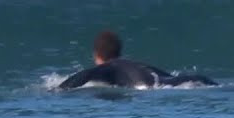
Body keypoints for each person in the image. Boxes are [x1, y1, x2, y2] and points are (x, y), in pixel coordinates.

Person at [57, 30, 217, 90]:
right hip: (169, 82)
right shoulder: (138, 65)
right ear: (119, 51)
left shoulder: (107, 69)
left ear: (96, 55)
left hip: (148, 89)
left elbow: (86, 75)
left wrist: (59, 90)